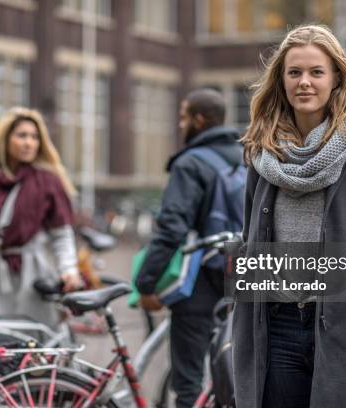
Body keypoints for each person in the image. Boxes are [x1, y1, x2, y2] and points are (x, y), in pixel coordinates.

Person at [232, 25, 346, 408]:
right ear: (280, 81)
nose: (305, 82)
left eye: (316, 72)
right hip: (276, 329)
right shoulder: (262, 157)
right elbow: (249, 241)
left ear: (335, 79)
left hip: (345, 329)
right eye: (294, 72)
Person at [136, 88, 243, 407]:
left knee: (188, 382)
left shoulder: (190, 163)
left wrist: (146, 282)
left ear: (198, 120)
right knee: (233, 367)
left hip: (199, 279)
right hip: (240, 274)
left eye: (183, 117)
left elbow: (171, 227)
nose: (180, 124)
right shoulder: (248, 157)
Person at [0, 107, 82, 328]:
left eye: (35, 137)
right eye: (22, 136)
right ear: (5, 140)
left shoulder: (47, 182)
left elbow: (61, 234)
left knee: (32, 341)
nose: (29, 143)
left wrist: (68, 269)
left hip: (31, 273)